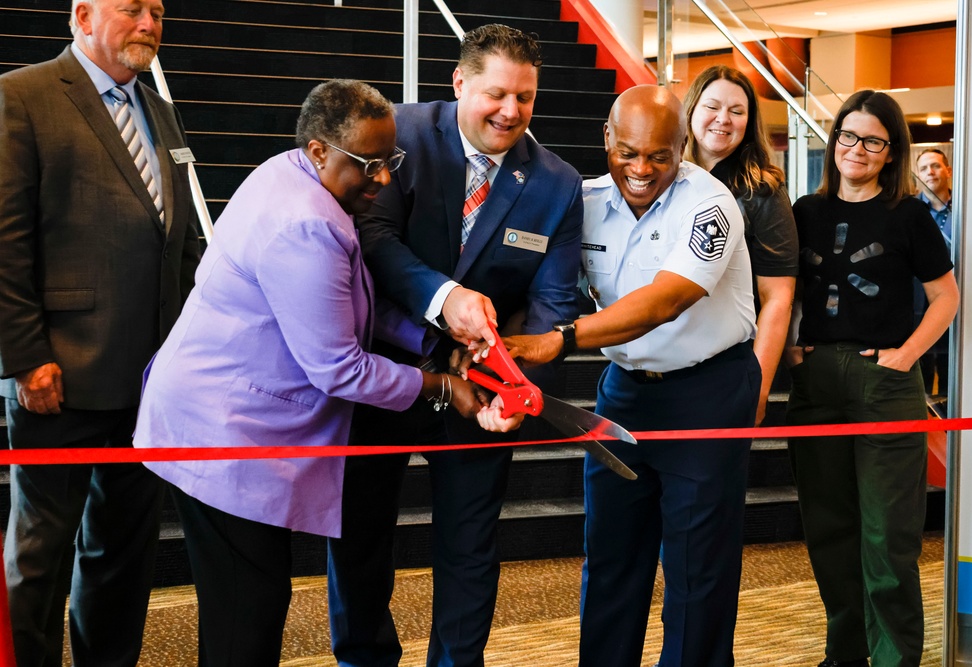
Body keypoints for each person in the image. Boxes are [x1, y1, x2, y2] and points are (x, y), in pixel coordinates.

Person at [132, 79, 502, 667]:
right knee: (244, 616)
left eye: (391, 161)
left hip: (231, 424)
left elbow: (350, 302)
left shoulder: (294, 175)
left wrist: (435, 343)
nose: (383, 179)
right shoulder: (308, 225)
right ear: (319, 151)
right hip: (223, 432)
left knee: (252, 602)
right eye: (369, 165)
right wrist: (441, 387)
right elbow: (340, 369)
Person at [326, 24, 584, 667]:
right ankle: (362, 658)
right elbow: (373, 243)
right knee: (359, 534)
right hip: (381, 369)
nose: (511, 112)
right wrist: (445, 304)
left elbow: (554, 299)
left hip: (482, 389)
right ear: (460, 82)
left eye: (526, 98)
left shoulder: (556, 182)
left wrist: (512, 372)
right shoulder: (399, 137)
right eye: (497, 94)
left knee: (470, 542)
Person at [502, 84, 760, 667]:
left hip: (708, 390)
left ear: (682, 146)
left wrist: (562, 338)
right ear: (607, 141)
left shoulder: (710, 206)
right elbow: (543, 283)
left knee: (697, 564)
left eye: (659, 156)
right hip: (622, 391)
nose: (641, 169)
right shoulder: (585, 201)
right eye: (628, 153)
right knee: (612, 554)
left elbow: (664, 300)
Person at [0, 0, 202, 664]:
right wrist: (25, 358)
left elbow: (178, 246)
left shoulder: (161, 111)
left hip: (147, 383)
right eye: (132, 8)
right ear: (82, 15)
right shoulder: (22, 97)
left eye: (158, 11)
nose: (148, 23)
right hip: (58, 376)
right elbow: (6, 241)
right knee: (40, 555)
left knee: (122, 551)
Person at [784, 90, 959, 667]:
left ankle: (895, 660)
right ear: (833, 141)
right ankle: (845, 653)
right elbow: (780, 295)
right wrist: (790, 350)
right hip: (817, 384)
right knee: (830, 528)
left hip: (884, 379)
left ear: (891, 152)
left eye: (873, 141)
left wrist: (906, 356)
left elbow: (945, 298)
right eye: (848, 137)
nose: (856, 149)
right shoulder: (804, 211)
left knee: (889, 537)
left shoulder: (907, 214)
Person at [683, 65, 798, 425]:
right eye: (712, 107)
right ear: (691, 110)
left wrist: (759, 386)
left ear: (749, 122)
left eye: (737, 111)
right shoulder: (661, 178)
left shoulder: (763, 192)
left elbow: (778, 299)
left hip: (726, 367)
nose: (723, 119)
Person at [914, 147, 953, 395]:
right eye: (924, 168)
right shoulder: (909, 210)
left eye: (936, 165)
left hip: (957, 299)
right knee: (922, 377)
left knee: (952, 373)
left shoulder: (968, 207)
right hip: (918, 302)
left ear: (948, 170)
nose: (930, 172)